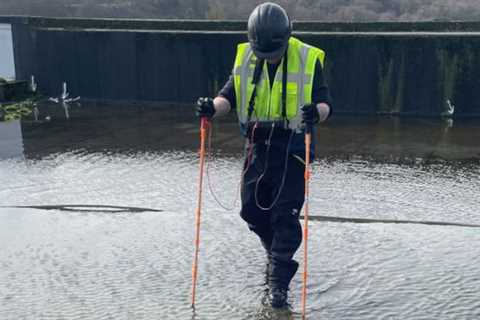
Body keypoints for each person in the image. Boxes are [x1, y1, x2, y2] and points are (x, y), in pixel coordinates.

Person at [195, 2, 332, 309]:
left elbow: (326, 104)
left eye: (274, 53)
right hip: (257, 145)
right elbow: (227, 96)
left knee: (285, 215)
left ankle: (278, 286)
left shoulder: (308, 59)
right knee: (252, 211)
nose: (269, 58)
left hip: (293, 147)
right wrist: (210, 108)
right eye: (264, 54)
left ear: (286, 39)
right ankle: (274, 253)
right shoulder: (246, 56)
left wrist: (315, 114)